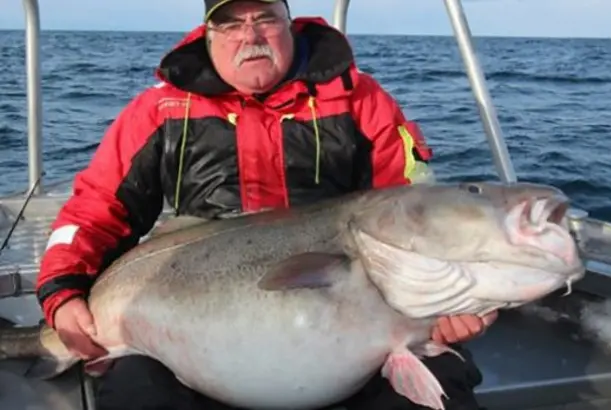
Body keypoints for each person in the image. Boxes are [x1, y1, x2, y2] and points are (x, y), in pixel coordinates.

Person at [35, 1, 498, 409]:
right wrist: (63, 292)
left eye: (265, 19)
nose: (251, 36)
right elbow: (94, 209)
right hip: (191, 339)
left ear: (290, 23)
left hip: (355, 334)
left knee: (442, 382)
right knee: (136, 395)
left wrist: (457, 300)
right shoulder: (161, 111)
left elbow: (413, 208)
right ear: (208, 34)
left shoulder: (360, 101)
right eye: (232, 23)